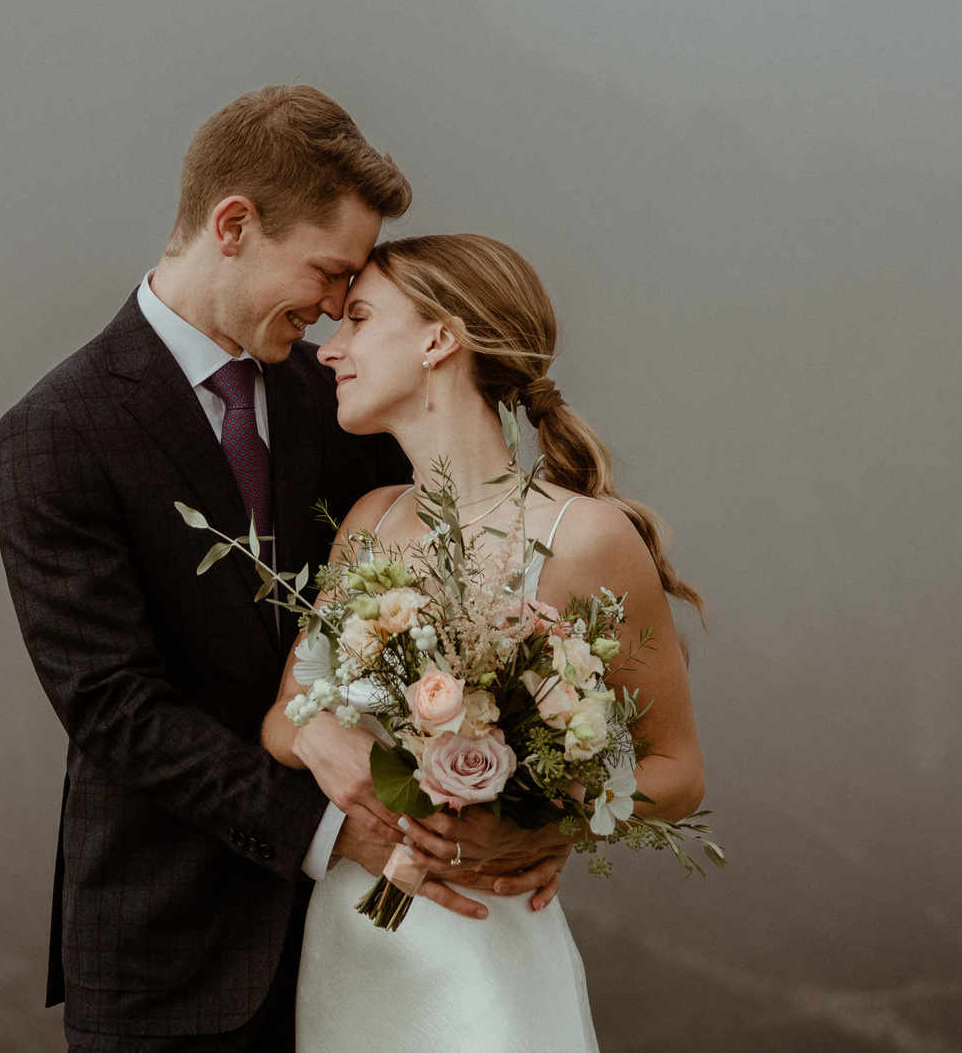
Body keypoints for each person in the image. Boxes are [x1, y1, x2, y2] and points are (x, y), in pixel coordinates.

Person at [0, 87, 562, 1052]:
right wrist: (333, 831)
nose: (339, 307)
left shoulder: (342, 398)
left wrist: (527, 804)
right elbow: (112, 704)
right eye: (330, 270)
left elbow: (445, 583)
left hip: (376, 944)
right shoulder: (56, 431)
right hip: (166, 949)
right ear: (233, 225)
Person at [267, 233, 708, 1052]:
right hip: (351, 941)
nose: (331, 349)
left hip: (484, 946)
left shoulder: (586, 537)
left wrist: (549, 819)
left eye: (359, 318)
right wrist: (322, 732)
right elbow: (285, 714)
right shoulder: (367, 522)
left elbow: (677, 769)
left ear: (441, 338)